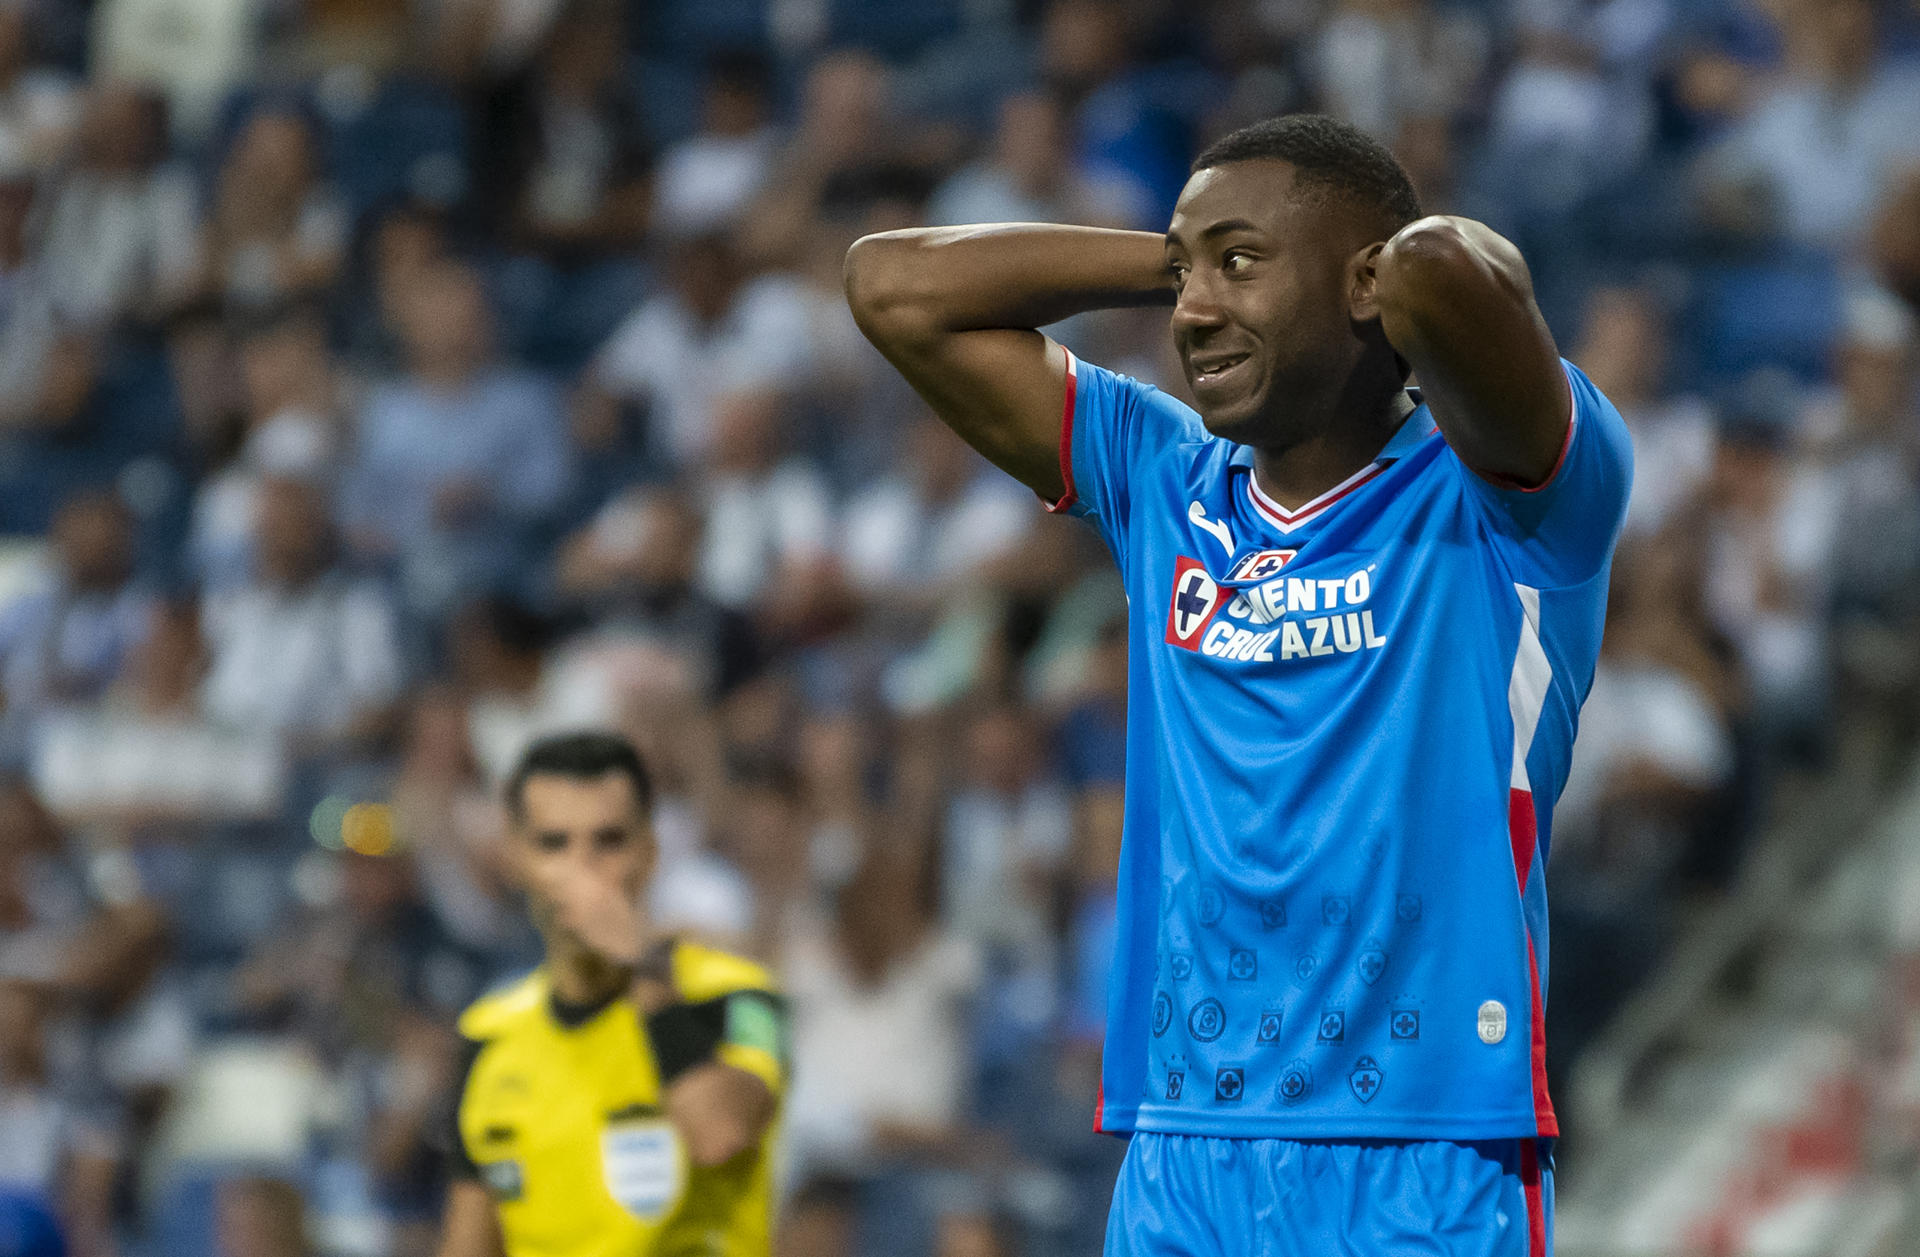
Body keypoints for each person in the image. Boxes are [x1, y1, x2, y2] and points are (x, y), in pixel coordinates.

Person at [845, 113, 1633, 1255]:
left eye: (1239, 264)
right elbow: (893, 288)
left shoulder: (1514, 502)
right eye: (1184, 275)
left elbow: (1443, 273)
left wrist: (1378, 264)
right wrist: (1180, 251)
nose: (1191, 311)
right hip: (1185, 1160)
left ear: (1364, 284)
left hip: (1422, 1151)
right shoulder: (1163, 481)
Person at [435, 732, 786, 1257]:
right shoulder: (487, 1035)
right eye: (553, 843)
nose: (583, 870)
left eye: (609, 841)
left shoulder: (737, 996)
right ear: (515, 856)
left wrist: (643, 962)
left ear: (649, 850)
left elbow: (719, 1132)